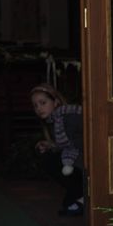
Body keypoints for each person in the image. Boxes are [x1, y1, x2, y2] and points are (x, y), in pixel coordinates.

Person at [30, 83, 84, 216]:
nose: (39, 108)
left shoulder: (69, 116)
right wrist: (49, 145)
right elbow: (64, 145)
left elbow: (76, 143)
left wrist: (53, 147)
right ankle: (79, 197)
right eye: (35, 105)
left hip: (85, 158)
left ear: (56, 102)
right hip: (74, 158)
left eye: (43, 103)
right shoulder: (53, 120)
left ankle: (82, 197)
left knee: (50, 161)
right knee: (47, 158)